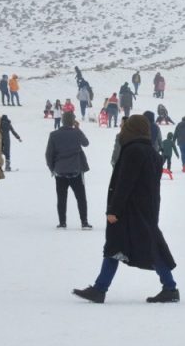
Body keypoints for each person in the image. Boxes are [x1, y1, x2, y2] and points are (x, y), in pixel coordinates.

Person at [72, 114, 179, 304]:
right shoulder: (152, 153)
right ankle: (169, 288)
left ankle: (100, 289)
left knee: (117, 246)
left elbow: (125, 183)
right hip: (147, 209)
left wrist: (114, 210)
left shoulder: (133, 151)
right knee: (145, 246)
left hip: (130, 209)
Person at [45, 111, 91, 229]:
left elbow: (49, 154)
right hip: (76, 171)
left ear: (62, 121)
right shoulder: (76, 133)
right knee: (81, 198)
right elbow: (86, 143)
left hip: (60, 171)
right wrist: (78, 128)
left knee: (61, 198)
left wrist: (52, 168)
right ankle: (84, 222)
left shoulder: (54, 135)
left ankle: (62, 222)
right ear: (72, 121)